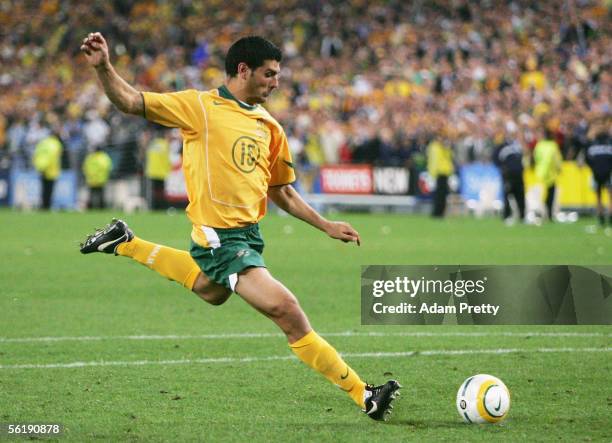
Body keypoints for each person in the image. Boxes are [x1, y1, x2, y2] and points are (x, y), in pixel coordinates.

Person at [79, 32, 400, 420]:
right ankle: (364, 394)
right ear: (243, 70)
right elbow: (132, 101)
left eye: (278, 74)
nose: (276, 82)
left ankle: (125, 242)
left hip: (249, 236)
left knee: (209, 290)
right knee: (286, 309)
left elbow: (282, 192)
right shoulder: (199, 106)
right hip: (220, 237)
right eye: (269, 73)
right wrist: (104, 68)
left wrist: (325, 224)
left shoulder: (270, 127)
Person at [493, 134, 526, 223]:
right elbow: (496, 159)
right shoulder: (504, 148)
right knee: (509, 195)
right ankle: (508, 215)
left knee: (519, 195)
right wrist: (503, 169)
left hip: (516, 175)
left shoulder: (517, 147)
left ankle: (521, 215)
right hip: (509, 175)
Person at [585, 119, 611, 227]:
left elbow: (588, 159)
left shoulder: (592, 144)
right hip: (608, 172)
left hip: (597, 172)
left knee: (599, 196)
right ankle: (608, 217)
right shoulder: (609, 142)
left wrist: (593, 168)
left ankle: (602, 218)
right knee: (609, 195)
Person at [533, 127, 562, 221]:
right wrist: (559, 169)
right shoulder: (553, 145)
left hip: (540, 174)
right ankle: (549, 214)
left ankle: (539, 213)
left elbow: (536, 158)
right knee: (550, 196)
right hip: (551, 174)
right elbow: (557, 159)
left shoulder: (539, 145)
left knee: (540, 195)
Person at [33, 128, 63, 210]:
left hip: (41, 168)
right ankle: (47, 206)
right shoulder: (56, 144)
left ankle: (43, 206)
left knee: (43, 189)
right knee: (49, 190)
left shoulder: (43, 143)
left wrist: (39, 166)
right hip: (51, 170)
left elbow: (36, 154)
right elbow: (55, 157)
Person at [427, 130, 454, 218]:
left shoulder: (444, 147)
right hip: (438, 173)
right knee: (438, 195)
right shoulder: (435, 146)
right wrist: (432, 173)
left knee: (443, 195)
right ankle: (436, 212)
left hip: (445, 172)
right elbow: (433, 160)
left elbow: (449, 158)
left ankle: (441, 212)